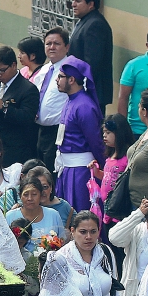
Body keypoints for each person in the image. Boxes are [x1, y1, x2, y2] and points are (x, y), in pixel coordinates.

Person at [53, 56, 105, 212]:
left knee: (80, 215)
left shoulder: (84, 106)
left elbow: (96, 143)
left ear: (71, 80)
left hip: (80, 173)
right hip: (66, 169)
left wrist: (104, 170)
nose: (57, 80)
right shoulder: (70, 100)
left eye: (61, 76)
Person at [0, 46, 39, 165]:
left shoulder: (28, 89)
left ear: (13, 65)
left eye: (2, 71)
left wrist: (4, 107)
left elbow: (27, 118)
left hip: (14, 149)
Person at [66, 0, 113, 107]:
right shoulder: (85, 21)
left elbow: (92, 63)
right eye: (73, 1)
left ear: (91, 4)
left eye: (78, 1)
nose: (73, 5)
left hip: (91, 92)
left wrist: (82, 89)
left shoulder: (95, 25)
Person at [34, 27, 70, 169]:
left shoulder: (71, 69)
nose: (52, 47)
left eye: (57, 43)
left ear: (67, 47)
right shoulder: (44, 70)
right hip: (40, 131)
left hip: (60, 131)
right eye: (48, 44)